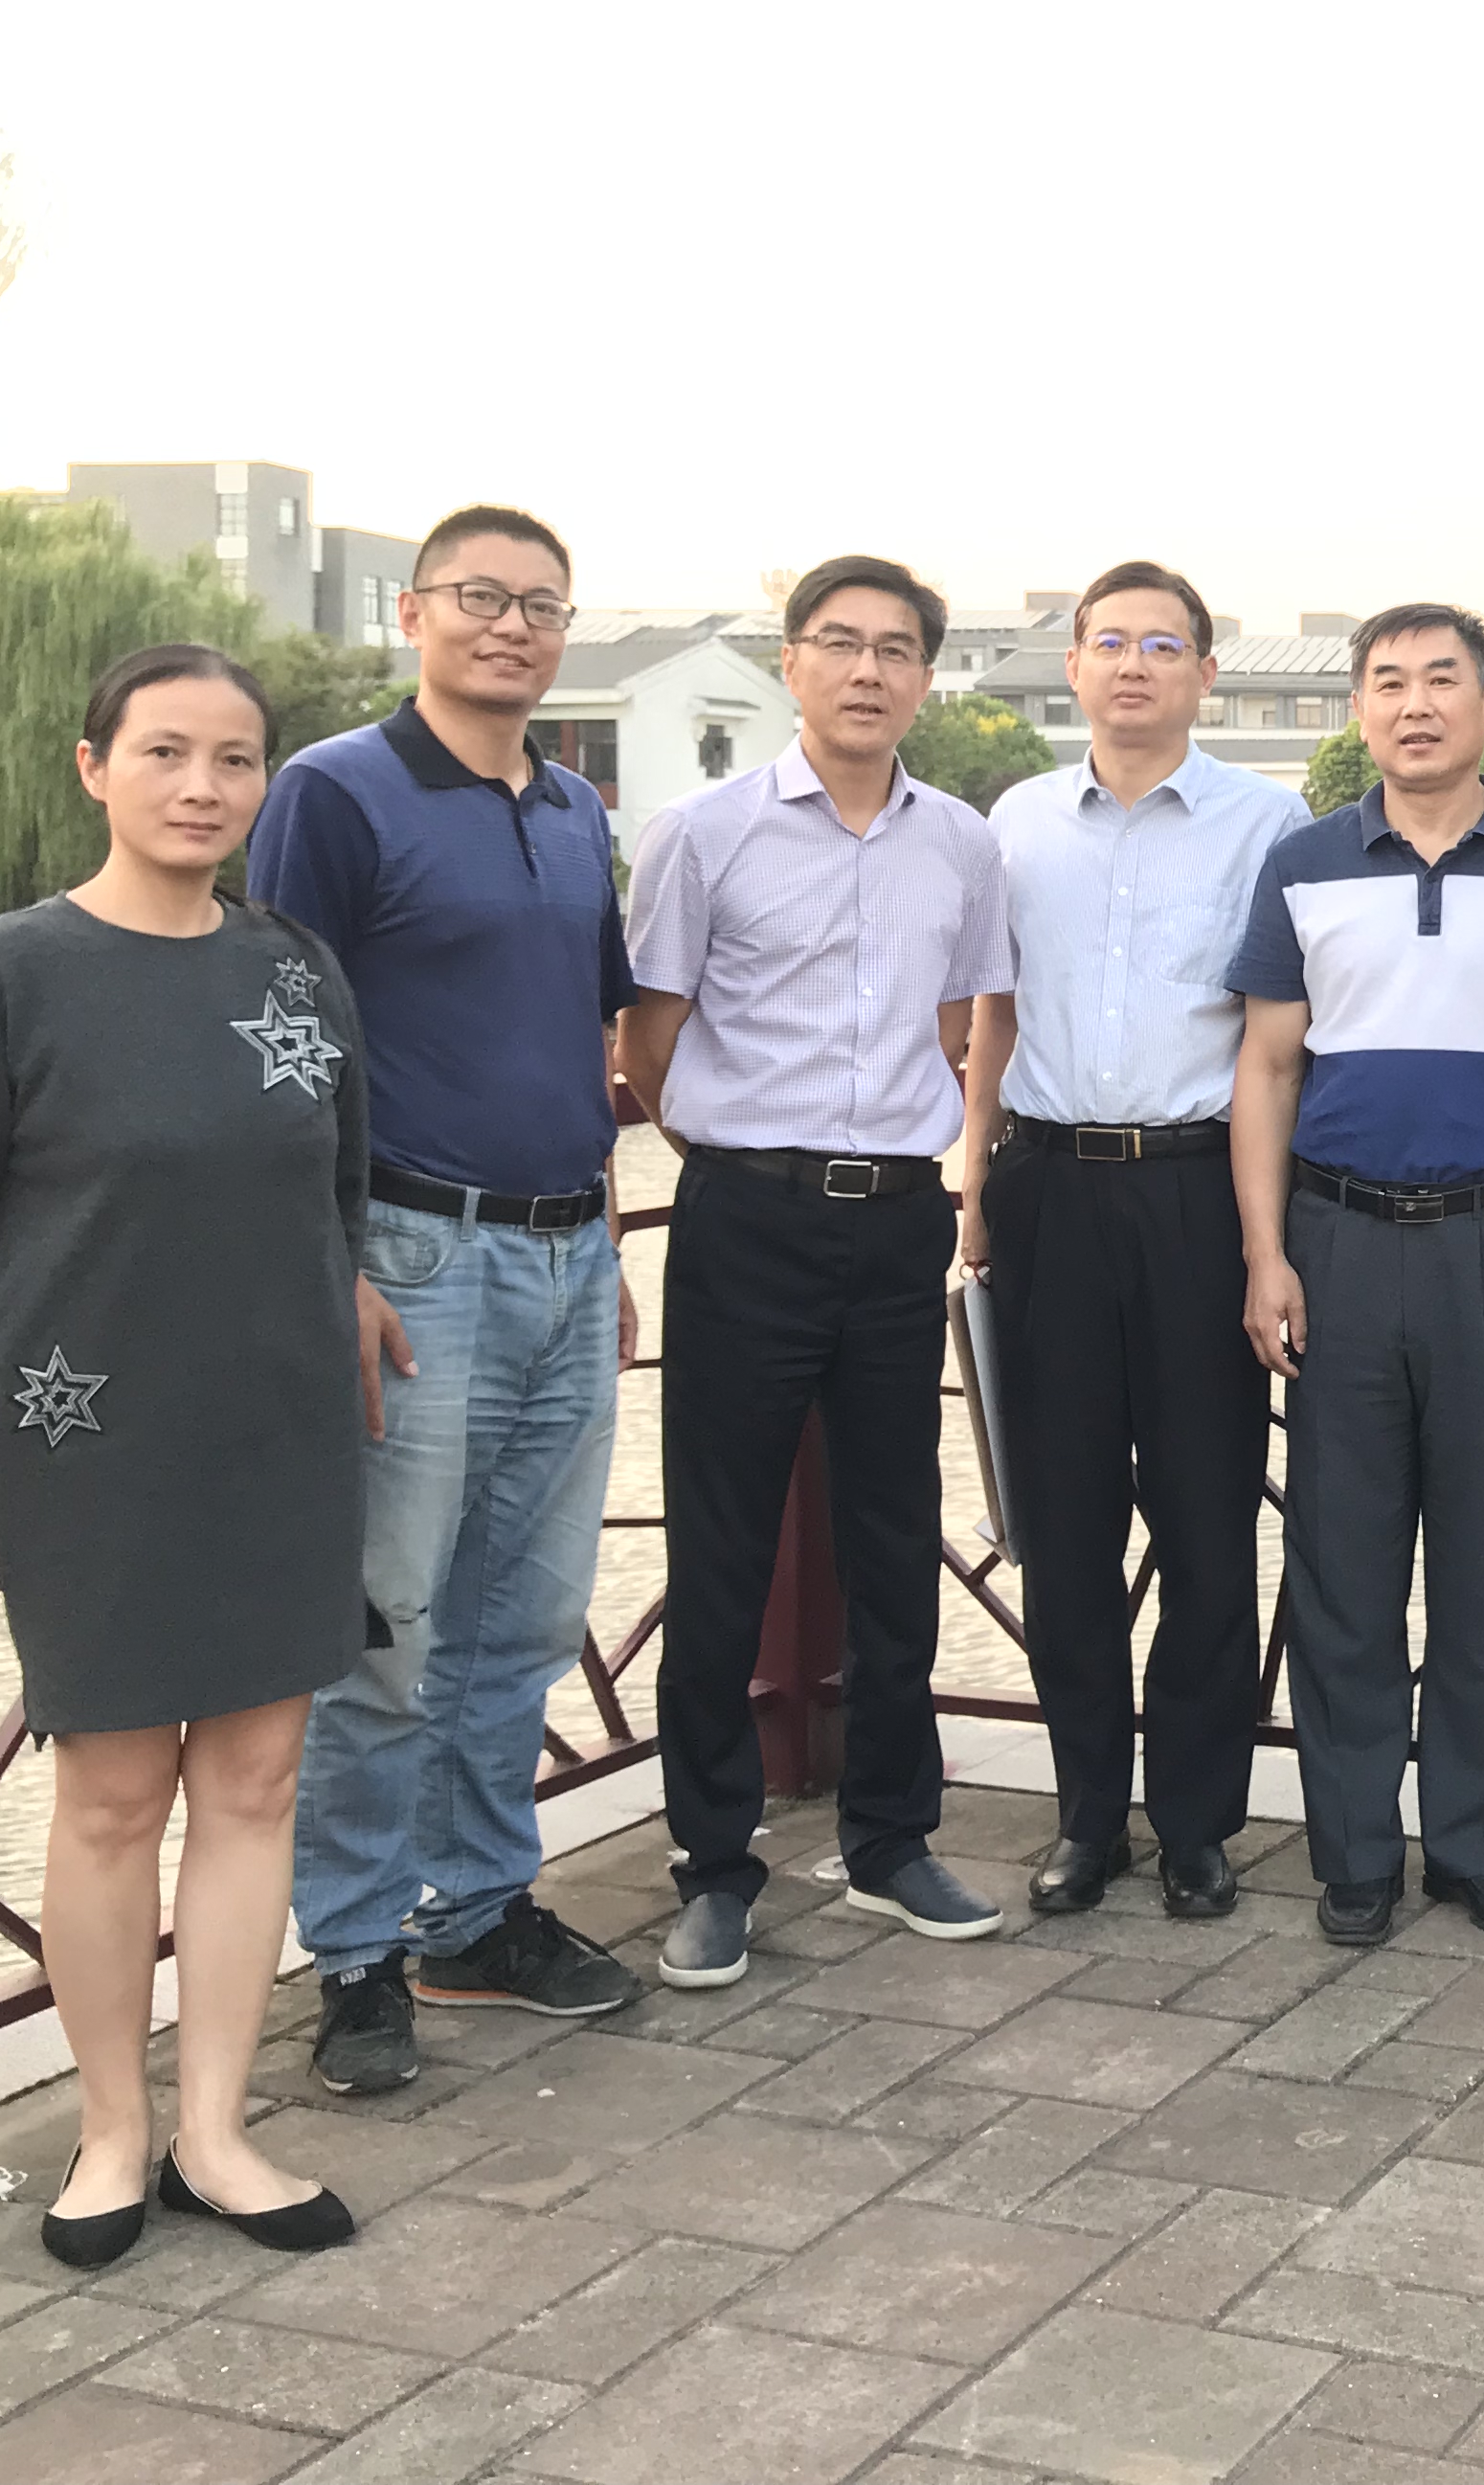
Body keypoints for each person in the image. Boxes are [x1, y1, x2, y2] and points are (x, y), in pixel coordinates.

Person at [0, 645, 366, 2266]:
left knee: (256, 1778)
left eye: (234, 759)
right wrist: (41, 1387)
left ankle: (216, 2131)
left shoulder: (294, 968)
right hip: (89, 1447)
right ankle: (109, 2130)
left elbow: (341, 1190)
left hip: (283, 1428)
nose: (200, 787)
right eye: (163, 752)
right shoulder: (4, 976)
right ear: (94, 767)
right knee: (109, 1790)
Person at [253, 506, 645, 2097]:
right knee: (388, 1628)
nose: (512, 626)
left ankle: (476, 1912)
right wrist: (329, 1262)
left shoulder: (571, 804)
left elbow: (580, 1046)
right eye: (481, 597)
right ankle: (354, 1951)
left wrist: (605, 1239)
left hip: (564, 1254)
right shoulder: (334, 792)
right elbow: (281, 1044)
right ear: (414, 614)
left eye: (542, 605)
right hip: (412, 1255)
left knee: (523, 1617)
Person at [620, 553, 1015, 1988]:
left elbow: (965, 1025)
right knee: (720, 1546)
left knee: (895, 1534)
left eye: (896, 649)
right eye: (839, 643)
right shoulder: (703, 834)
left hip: (901, 1222)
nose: (867, 671)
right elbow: (649, 1040)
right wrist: (745, 1158)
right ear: (790, 663)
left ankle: (891, 1840)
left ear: (926, 679)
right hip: (745, 1220)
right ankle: (714, 1863)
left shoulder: (960, 844)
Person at [1227, 601, 1484, 1945]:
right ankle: (1352, 1854)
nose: (1416, 704)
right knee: (1340, 1567)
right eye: (1388, 682)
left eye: (1442, 679)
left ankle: (1474, 1847)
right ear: (1358, 709)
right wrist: (1267, 1253)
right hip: (1335, 1241)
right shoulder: (1303, 864)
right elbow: (1267, 1067)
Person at [959, 559, 1302, 1921]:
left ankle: (1199, 1822)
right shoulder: (1018, 821)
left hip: (1200, 1195)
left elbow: (1284, 1040)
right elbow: (991, 1015)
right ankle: (1088, 1814)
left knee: (1211, 1522)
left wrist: (1268, 1241)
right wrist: (975, 1179)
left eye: (1164, 646)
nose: (1134, 666)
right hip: (1047, 1190)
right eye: (1110, 643)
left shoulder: (1269, 825)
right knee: (1067, 1522)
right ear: (1073, 666)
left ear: (1206, 673)